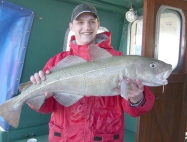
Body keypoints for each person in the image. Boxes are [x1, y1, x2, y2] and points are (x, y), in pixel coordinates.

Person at [29, 3, 155, 142]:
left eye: (91, 22)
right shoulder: (57, 61)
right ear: (71, 26)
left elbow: (135, 110)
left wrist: (137, 99)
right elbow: (46, 108)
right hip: (64, 138)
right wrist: (43, 96)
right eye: (80, 22)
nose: (87, 27)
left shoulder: (118, 59)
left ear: (98, 24)